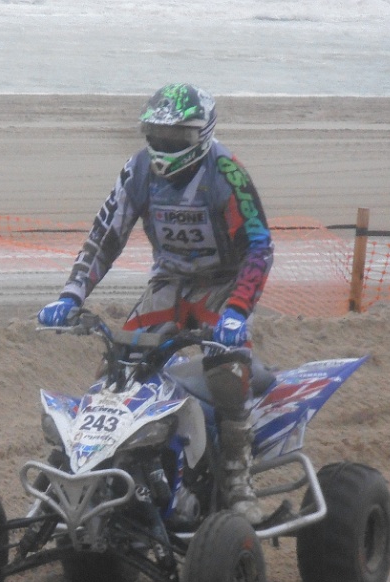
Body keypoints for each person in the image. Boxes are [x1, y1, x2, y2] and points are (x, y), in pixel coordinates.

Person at [37, 83, 274, 525]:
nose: (165, 146)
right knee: (118, 368)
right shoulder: (139, 170)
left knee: (226, 367)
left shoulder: (227, 174)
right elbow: (106, 235)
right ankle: (103, 470)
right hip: (168, 282)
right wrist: (71, 294)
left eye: (177, 137)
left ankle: (236, 474)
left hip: (221, 284)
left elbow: (259, 248)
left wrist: (237, 311)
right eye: (157, 135)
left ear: (201, 135)